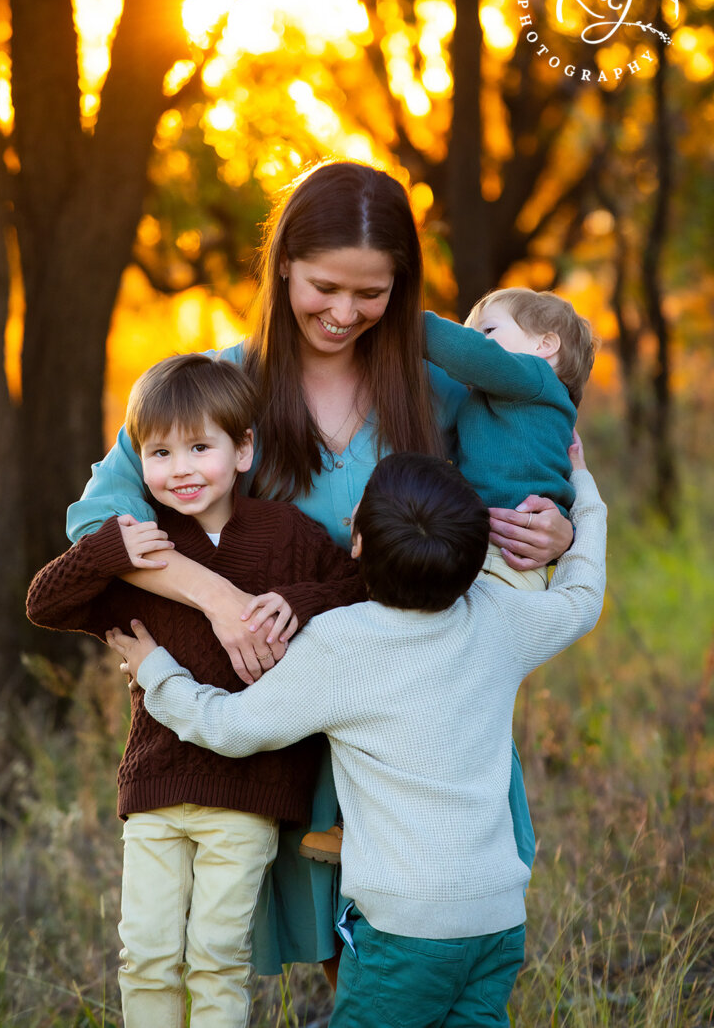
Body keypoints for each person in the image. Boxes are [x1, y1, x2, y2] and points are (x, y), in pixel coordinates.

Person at [65, 161, 575, 978]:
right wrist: (218, 597)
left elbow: (533, 468)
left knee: (437, 951)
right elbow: (96, 523)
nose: (344, 313)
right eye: (324, 286)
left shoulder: (443, 388)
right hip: (286, 714)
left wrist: (557, 526)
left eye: (370, 293)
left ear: (401, 289)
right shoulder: (215, 392)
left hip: (425, 726)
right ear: (284, 269)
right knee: (336, 958)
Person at [105, 436, 607, 1028]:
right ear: (476, 556)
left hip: (405, 931)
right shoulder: (500, 618)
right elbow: (581, 597)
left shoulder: (341, 645)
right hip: (497, 922)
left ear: (358, 542)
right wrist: (585, 497)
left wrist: (157, 672)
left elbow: (230, 727)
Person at [27, 354, 366, 1028]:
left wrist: (296, 603)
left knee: (216, 957)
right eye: (159, 452)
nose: (180, 468)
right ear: (140, 459)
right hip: (155, 787)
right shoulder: (148, 551)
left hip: (249, 793)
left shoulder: (284, 535)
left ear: (242, 450)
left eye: (199, 447)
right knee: (147, 955)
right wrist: (108, 548)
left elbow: (355, 589)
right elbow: (45, 602)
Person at [423, 287, 597, 591]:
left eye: (487, 330)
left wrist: (413, 325)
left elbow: (474, 355)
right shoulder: (513, 407)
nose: (478, 339)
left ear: (545, 345)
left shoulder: (537, 376)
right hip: (492, 552)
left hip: (505, 560)